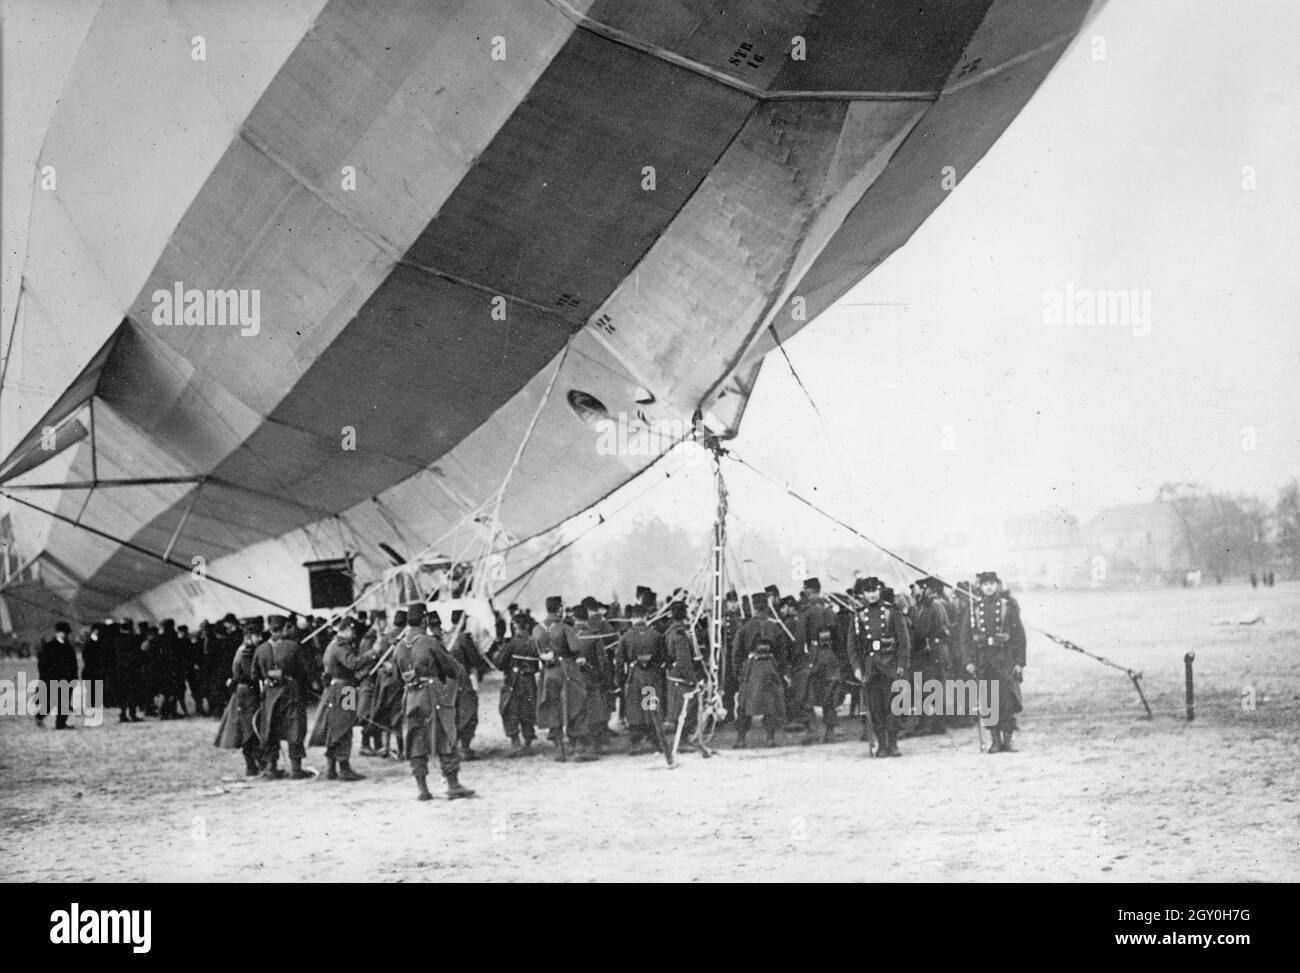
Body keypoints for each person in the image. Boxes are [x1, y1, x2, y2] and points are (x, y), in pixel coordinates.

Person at [393, 602, 475, 801]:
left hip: (411, 697)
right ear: (424, 620)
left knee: (415, 740)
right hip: (432, 695)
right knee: (445, 735)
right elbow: (452, 668)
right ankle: (453, 785)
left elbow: (397, 678)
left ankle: (422, 789)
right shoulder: (429, 642)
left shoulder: (399, 646)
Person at [956, 570, 1027, 753]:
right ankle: (995, 740)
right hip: (983, 662)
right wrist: (968, 661)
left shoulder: (1007, 607)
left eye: (992, 584)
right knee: (988, 702)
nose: (988, 587)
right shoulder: (973, 609)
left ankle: (1008, 741)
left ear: (997, 585)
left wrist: (1019, 662)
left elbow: (1019, 636)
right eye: (985, 584)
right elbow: (964, 638)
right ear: (980, 586)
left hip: (1005, 661)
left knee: (1007, 702)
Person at [308, 617, 380, 781]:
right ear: (347, 629)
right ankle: (344, 768)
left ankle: (332, 767)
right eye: (352, 631)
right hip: (346, 690)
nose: (353, 634)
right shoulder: (341, 647)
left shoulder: (332, 644)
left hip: (335, 689)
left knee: (335, 727)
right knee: (345, 726)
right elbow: (352, 663)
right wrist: (372, 653)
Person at [848, 577, 910, 757]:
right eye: (868, 591)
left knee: (893, 706)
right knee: (875, 708)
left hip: (890, 665)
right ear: (863, 594)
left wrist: (902, 664)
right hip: (870, 668)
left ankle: (894, 743)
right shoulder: (858, 614)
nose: (872, 594)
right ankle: (882, 744)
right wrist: (857, 668)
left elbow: (904, 641)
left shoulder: (892, 611)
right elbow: (852, 645)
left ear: (880, 590)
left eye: (874, 590)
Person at [534, 595, 598, 762]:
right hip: (567, 670)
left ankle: (559, 749)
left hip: (548, 673)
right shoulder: (564, 628)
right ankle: (578, 748)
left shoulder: (537, 629)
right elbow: (575, 647)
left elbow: (537, 652)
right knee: (576, 704)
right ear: (560, 609)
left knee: (552, 706)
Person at [252, 615, 313, 779]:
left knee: (270, 729)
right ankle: (296, 769)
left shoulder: (260, 649)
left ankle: (271, 768)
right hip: (290, 693)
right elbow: (305, 671)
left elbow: (254, 675)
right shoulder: (293, 647)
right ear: (285, 627)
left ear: (270, 629)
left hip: (270, 695)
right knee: (295, 729)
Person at [731, 595, 789, 748]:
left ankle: (741, 738)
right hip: (770, 667)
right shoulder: (775, 627)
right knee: (770, 703)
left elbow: (736, 652)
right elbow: (783, 653)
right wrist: (779, 669)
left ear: (754, 608)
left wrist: (738, 671)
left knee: (744, 704)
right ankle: (770, 738)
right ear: (768, 608)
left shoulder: (744, 627)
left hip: (751, 668)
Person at [215, 622, 265, 776]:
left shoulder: (243, 650)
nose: (260, 638)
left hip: (243, 693)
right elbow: (252, 675)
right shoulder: (246, 652)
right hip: (247, 694)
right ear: (249, 636)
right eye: (257, 635)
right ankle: (255, 765)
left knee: (248, 730)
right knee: (250, 730)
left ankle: (253, 765)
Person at [616, 603, 666, 754]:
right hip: (651, 675)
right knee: (651, 706)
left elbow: (619, 661)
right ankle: (655, 739)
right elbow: (663, 657)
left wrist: (620, 680)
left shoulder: (626, 636)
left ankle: (636, 742)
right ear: (646, 617)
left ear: (632, 618)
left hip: (634, 675)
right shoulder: (655, 635)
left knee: (635, 708)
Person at [444, 610, 493, 761]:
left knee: (452, 713)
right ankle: (464, 748)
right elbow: (475, 660)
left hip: (447, 682)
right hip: (463, 680)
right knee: (469, 712)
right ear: (462, 622)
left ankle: (452, 746)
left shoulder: (445, 637)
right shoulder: (464, 639)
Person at [492, 614, 540, 756]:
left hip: (513, 682)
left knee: (509, 710)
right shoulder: (533, 643)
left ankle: (515, 743)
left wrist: (496, 654)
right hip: (529, 681)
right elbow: (536, 667)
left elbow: (500, 664)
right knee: (527, 710)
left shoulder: (511, 644)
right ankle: (528, 742)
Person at [663, 599, 702, 748]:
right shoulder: (680, 633)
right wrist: (693, 680)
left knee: (680, 707)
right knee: (686, 708)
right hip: (682, 676)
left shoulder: (674, 630)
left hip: (675, 674)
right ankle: (682, 741)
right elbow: (684, 659)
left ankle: (681, 739)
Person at [36, 621, 79, 729]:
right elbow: (43, 664)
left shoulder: (68, 647)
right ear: (57, 633)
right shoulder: (50, 646)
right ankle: (39, 716)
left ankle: (60, 724)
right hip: (53, 679)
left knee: (64, 702)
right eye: (62, 632)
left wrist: (74, 677)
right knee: (52, 701)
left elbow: (73, 664)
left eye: (65, 632)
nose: (64, 634)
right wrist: (44, 677)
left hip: (67, 679)